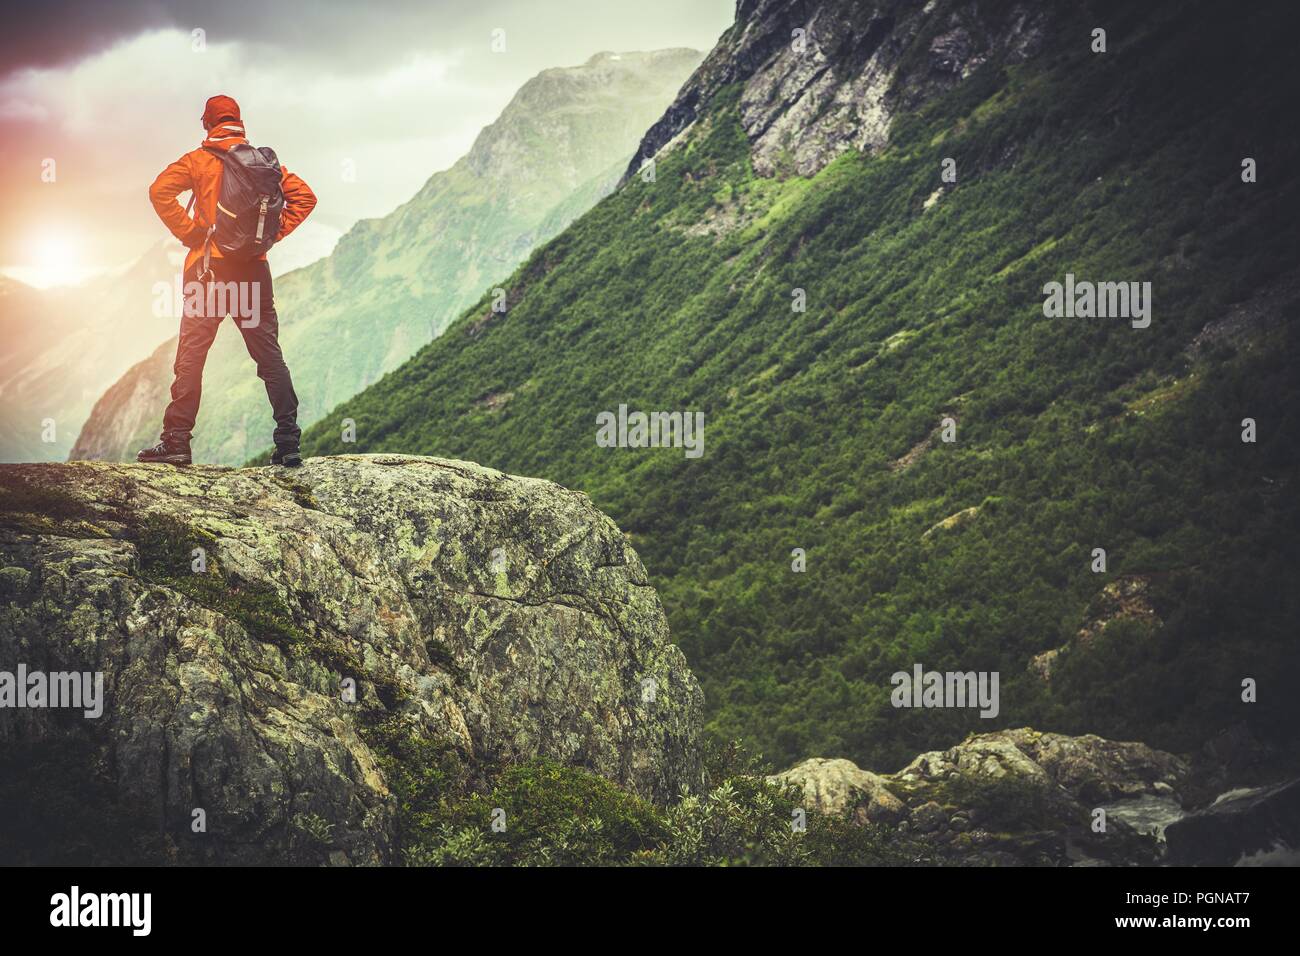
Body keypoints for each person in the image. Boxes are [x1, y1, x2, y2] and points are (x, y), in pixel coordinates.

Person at [138, 94, 316, 467]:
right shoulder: (264, 165)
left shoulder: (198, 161)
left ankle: (176, 443)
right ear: (239, 122)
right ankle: (288, 444)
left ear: (207, 124)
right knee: (269, 357)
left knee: (192, 357)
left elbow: (159, 191)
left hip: (208, 272)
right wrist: (269, 236)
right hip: (253, 272)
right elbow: (305, 198)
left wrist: (190, 234)